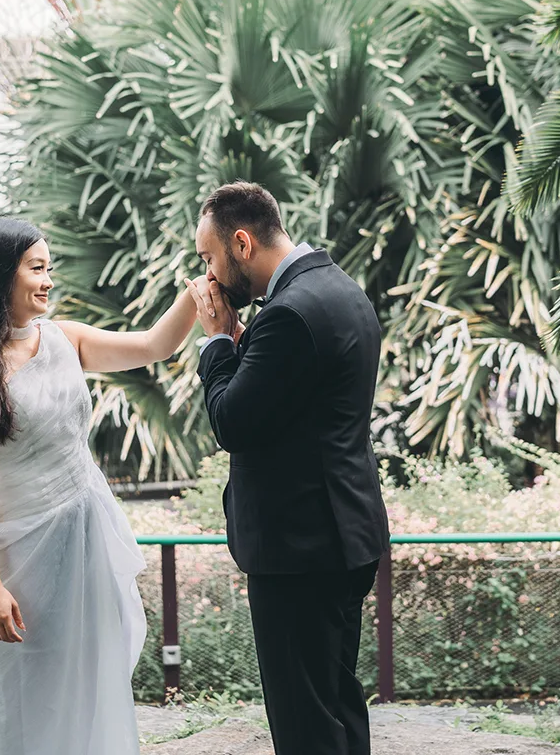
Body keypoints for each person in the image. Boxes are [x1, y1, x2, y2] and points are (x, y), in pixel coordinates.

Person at [0, 217, 202, 754]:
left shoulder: (66, 340)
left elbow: (155, 345)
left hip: (86, 542)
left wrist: (200, 291)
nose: (48, 280)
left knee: (91, 685)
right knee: (24, 700)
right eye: (36, 268)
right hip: (21, 560)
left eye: (49, 268)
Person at [188, 182, 390, 755]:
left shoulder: (288, 315)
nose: (209, 274)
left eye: (210, 257)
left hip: (300, 546)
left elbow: (233, 422)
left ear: (242, 244)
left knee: (304, 723)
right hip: (342, 532)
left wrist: (218, 343)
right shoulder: (340, 290)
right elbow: (300, 406)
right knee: (335, 702)